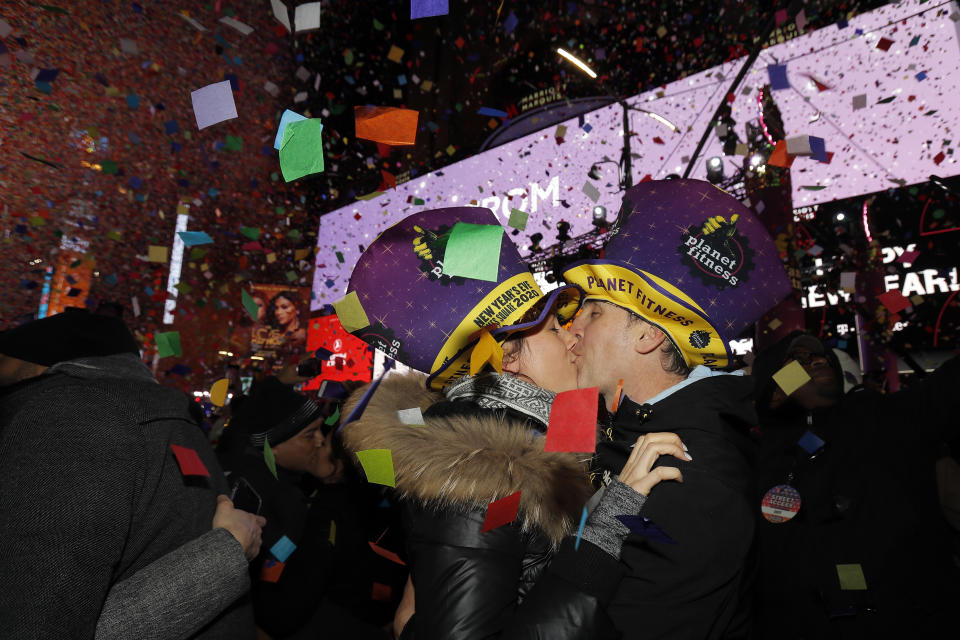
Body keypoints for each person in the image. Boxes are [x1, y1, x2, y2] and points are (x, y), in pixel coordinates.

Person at [340, 206, 689, 640]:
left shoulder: (543, 433)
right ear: (506, 357)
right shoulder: (482, 469)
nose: (573, 334)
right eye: (554, 328)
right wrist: (605, 531)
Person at [561, 178, 792, 639]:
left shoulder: (687, 476)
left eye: (593, 312)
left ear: (648, 336)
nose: (572, 330)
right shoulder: (624, 434)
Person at [0, 309, 262, 639]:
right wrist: (225, 554)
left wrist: (223, 556)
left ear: (40, 365)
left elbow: (35, 624)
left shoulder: (71, 419)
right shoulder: (168, 418)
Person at [751, 330, 960, 638]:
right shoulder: (751, 456)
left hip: (911, 619)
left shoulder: (887, 418)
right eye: (799, 359)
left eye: (821, 354)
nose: (818, 360)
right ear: (774, 386)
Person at [217, 376, 386, 639]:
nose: (319, 441)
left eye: (323, 433)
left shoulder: (305, 497)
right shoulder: (261, 496)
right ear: (274, 446)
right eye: (311, 434)